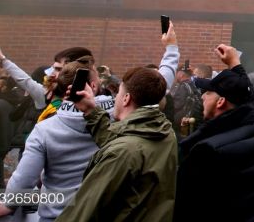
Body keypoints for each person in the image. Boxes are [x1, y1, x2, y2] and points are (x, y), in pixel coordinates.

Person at [57, 67, 178, 222]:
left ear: (126, 98)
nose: (116, 99)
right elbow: (127, 145)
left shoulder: (123, 151)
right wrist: (90, 110)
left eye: (118, 94)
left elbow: (82, 213)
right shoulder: (165, 132)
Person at [0, 62, 98, 220]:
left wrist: (9, 203)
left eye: (58, 69)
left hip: (56, 212)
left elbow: (25, 175)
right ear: (93, 86)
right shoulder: (110, 123)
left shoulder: (46, 127)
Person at [174, 45, 254, 222]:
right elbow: (248, 99)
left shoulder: (205, 151)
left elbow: (185, 206)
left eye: (207, 93)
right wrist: (235, 64)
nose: (202, 97)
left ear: (221, 101)